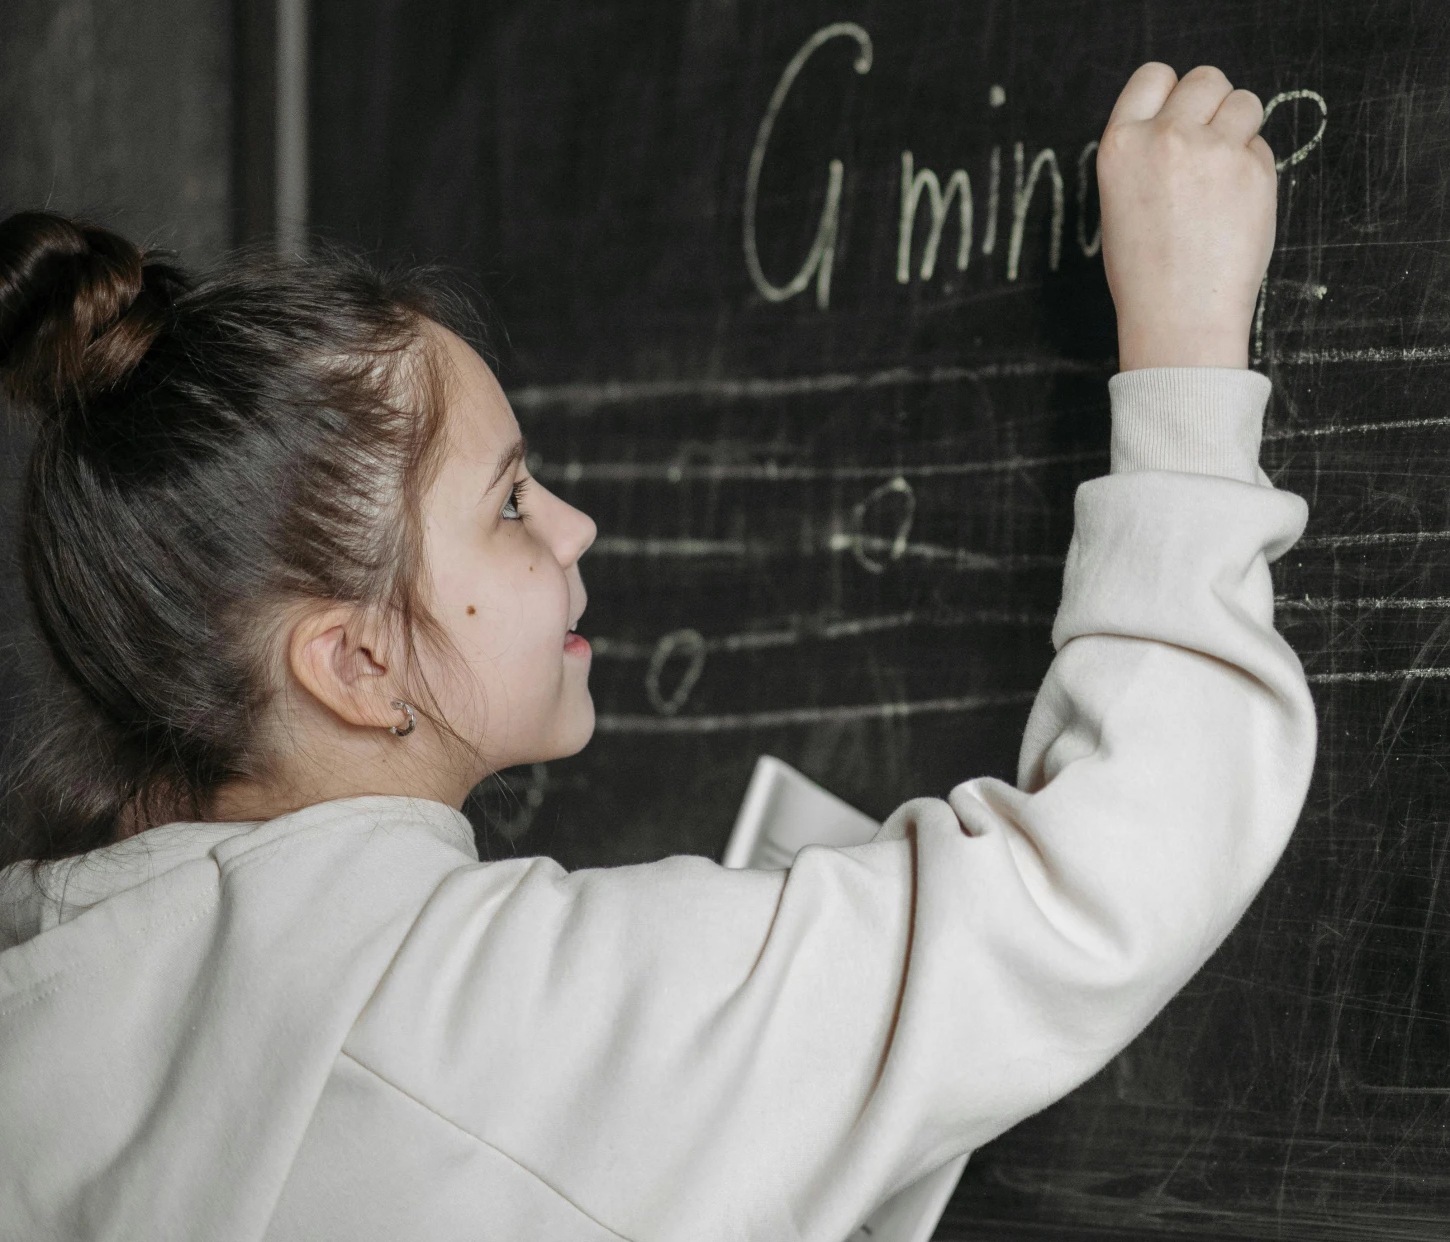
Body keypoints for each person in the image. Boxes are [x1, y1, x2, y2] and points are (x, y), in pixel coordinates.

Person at [0, 64, 1314, 1242]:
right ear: (356, 666)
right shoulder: (488, 1030)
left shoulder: (57, 1005)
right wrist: (1189, 362)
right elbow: (1100, 887)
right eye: (510, 504)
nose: (575, 524)